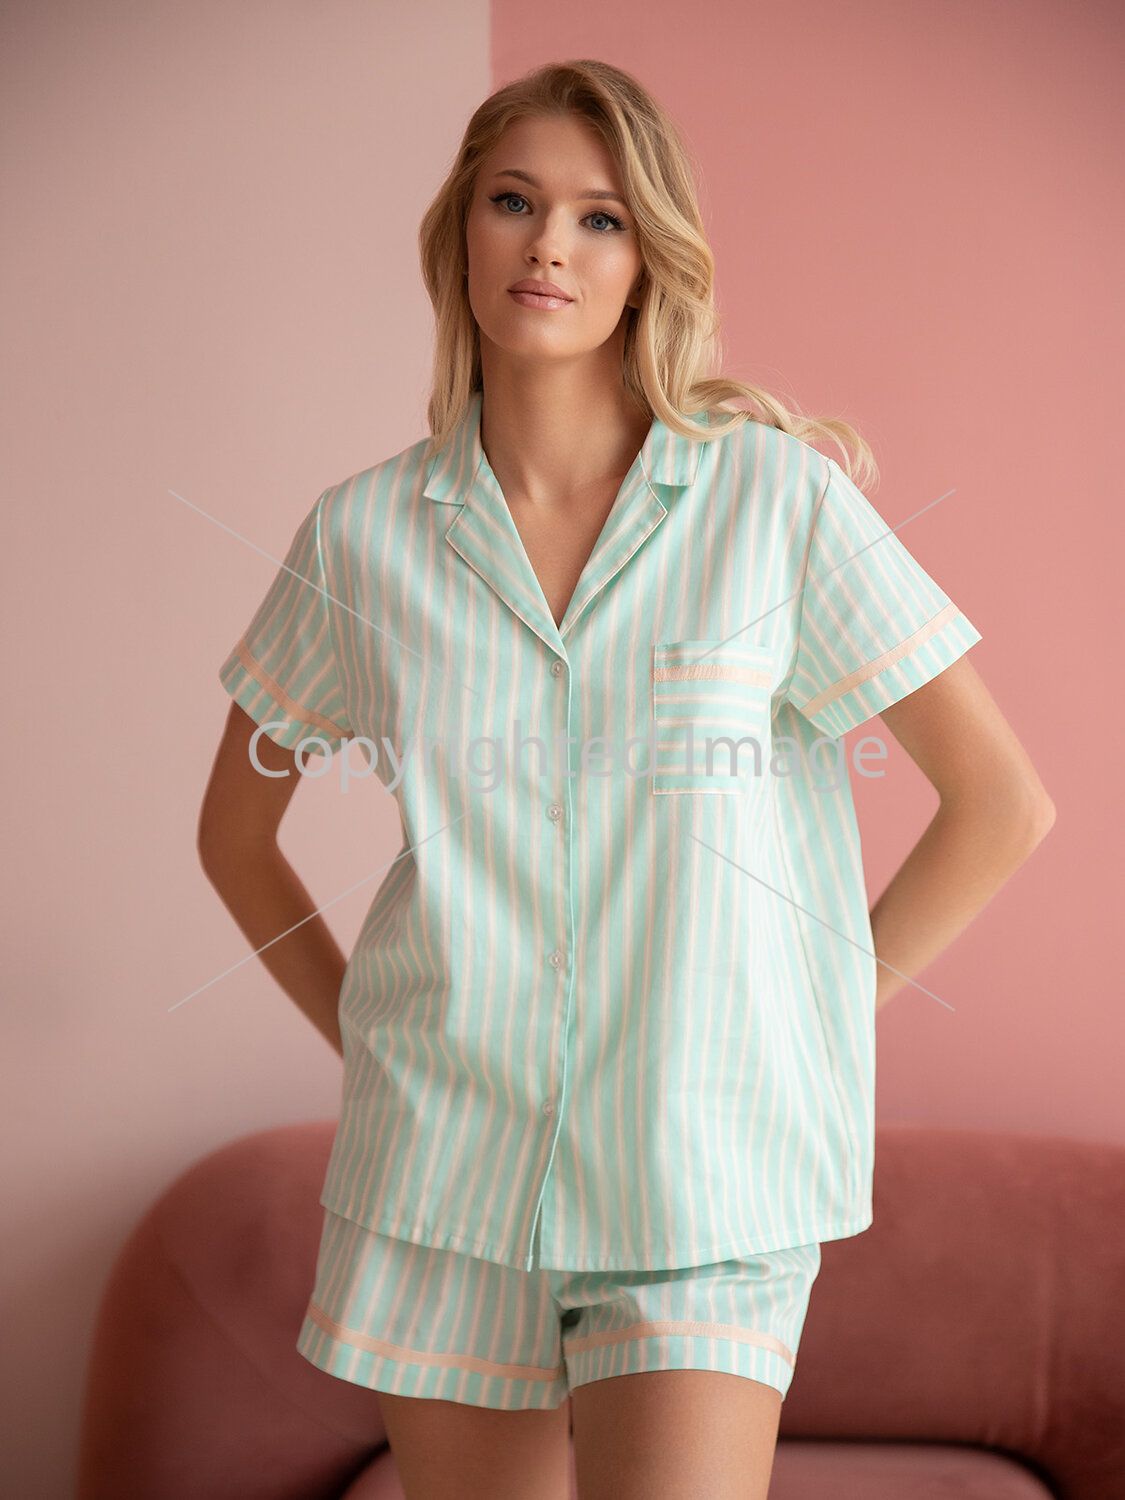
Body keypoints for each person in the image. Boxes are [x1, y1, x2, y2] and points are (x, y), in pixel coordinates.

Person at [198, 58, 1055, 1500]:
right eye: (514, 202)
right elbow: (235, 839)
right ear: (458, 233)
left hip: (704, 1176)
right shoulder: (362, 538)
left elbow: (999, 806)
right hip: (440, 1179)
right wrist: (374, 1043)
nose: (549, 244)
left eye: (599, 218)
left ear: (649, 258)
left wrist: (813, 1021)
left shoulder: (774, 502)